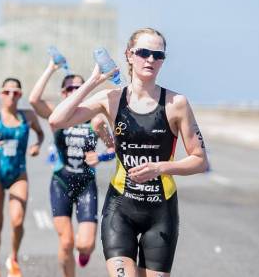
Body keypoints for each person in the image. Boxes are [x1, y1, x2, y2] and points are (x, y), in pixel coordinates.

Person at [48, 28, 209, 277]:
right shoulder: (112, 99)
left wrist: (161, 167)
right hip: (120, 209)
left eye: (158, 55)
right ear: (129, 55)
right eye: (144, 52)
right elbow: (56, 120)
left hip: (161, 211)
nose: (151, 60)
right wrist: (93, 81)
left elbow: (200, 160)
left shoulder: (176, 103)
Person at [29, 60, 115, 277]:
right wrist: (50, 67)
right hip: (61, 182)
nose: (74, 91)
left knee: (85, 244)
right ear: (63, 93)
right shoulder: (55, 114)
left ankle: (84, 252)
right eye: (70, 88)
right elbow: (33, 100)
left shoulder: (94, 118)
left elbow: (115, 149)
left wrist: (101, 156)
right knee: (66, 242)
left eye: (79, 88)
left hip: (86, 183)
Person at [0, 78, 44, 277]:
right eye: (7, 92)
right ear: (1, 94)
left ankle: (13, 258)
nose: (11, 96)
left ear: (20, 95)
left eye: (15, 93)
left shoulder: (28, 116)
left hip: (18, 174)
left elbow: (40, 134)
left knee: (17, 220)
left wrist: (37, 145)